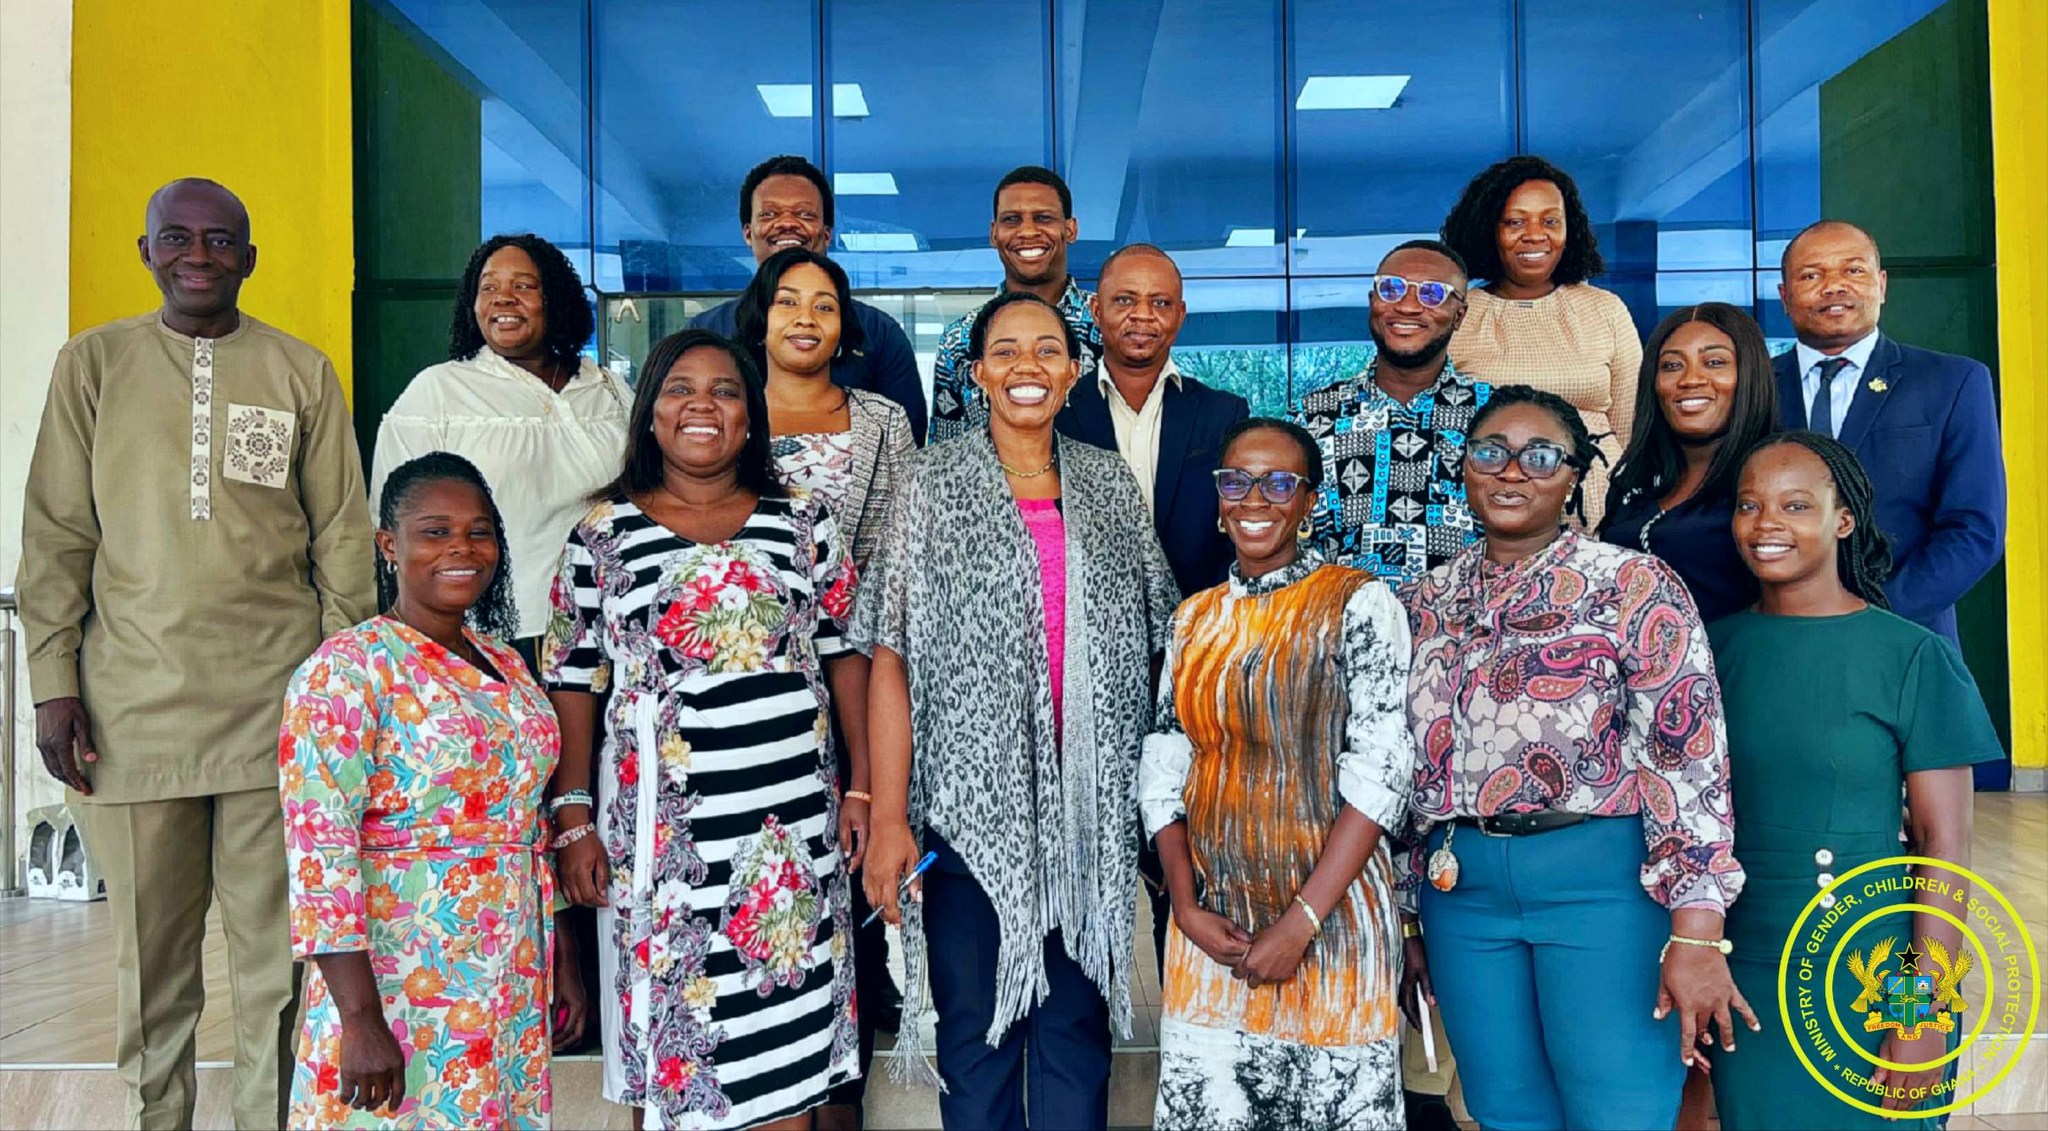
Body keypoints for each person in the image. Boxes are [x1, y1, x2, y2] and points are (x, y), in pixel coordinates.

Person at [17, 178, 375, 1130]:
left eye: (220, 241)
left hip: (278, 714)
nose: (199, 256)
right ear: (147, 252)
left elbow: (343, 540)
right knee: (152, 972)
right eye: (177, 238)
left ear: (250, 258)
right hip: (129, 714)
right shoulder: (93, 365)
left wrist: (341, 694)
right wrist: (52, 684)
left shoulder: (300, 371)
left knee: (280, 967)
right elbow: (56, 535)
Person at [855, 292, 1179, 1130]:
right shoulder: (930, 484)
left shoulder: (1107, 483)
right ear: (977, 374)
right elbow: (890, 654)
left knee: (1076, 1040)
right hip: (970, 815)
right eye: (1005, 351)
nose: (1026, 366)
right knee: (977, 1041)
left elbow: (1159, 641)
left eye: (1046, 350)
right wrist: (888, 818)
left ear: (1074, 372)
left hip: (1088, 820)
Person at [1399, 385, 1752, 1131]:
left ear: (1574, 476)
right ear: (1464, 469)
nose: (1511, 471)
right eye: (1490, 452)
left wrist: (1696, 927)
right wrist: (1406, 915)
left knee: (1619, 1108)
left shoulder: (1633, 585)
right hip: (1461, 895)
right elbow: (1406, 771)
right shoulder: (1423, 601)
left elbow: (1687, 759)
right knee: (1504, 1109)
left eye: (1540, 455)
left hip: (1602, 885)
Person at [543, 329, 866, 1130]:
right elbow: (573, 675)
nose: (703, 405)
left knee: (784, 1047)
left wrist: (862, 788)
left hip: (792, 835)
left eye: (725, 391)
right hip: (666, 844)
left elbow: (846, 652)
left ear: (750, 418)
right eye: (680, 389)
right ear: (650, 415)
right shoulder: (601, 535)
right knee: (673, 1056)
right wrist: (573, 814)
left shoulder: (805, 522)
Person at [1707, 432, 2002, 1128]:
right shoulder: (1706, 649)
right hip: (1738, 964)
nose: (1767, 523)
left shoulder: (1912, 655)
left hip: (1866, 972)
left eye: (1796, 505)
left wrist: (1920, 1012)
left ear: (1844, 520)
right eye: (1749, 504)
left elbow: (1944, 847)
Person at [370, 231, 618, 1058]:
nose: (503, 299)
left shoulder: (605, 390)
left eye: (524, 284)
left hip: (595, 634)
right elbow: (394, 518)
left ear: (558, 297)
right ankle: (545, 988)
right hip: (489, 636)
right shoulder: (438, 391)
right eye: (488, 286)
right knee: (520, 809)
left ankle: (599, 989)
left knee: (594, 805)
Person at [1140, 418, 1413, 1130]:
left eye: (1279, 482)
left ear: (1310, 500)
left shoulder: (1359, 603)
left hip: (1333, 928)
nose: (1254, 499)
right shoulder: (1193, 619)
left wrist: (1301, 923)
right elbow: (1164, 766)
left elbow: (1382, 773)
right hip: (1214, 935)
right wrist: (1185, 908)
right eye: (1236, 481)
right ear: (1218, 498)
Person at [281, 453, 558, 1129]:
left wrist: (564, 963)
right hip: (401, 974)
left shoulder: (508, 662)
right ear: (389, 544)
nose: (462, 548)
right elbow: (320, 848)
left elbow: (528, 822)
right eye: (435, 531)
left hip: (507, 971)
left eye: (478, 531)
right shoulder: (348, 669)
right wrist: (359, 1017)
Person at [733, 245, 917, 1124]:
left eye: (824, 304)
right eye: (788, 301)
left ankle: (842, 1078)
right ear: (760, 317)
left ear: (846, 327)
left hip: (862, 666)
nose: (805, 317)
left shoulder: (882, 417)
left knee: (853, 859)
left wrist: (867, 636)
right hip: (749, 680)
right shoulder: (724, 407)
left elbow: (903, 539)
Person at [1054, 242, 1249, 970]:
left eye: (1160, 302)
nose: (1143, 316)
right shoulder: (1056, 409)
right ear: (1095, 309)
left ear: (1181, 315)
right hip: (1082, 671)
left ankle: (1186, 1018)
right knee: (1088, 865)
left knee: (1190, 857)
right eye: (1126, 300)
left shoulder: (1222, 413)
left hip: (1195, 670)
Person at [1772, 220, 2005, 647]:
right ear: (1785, 297)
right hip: (1777, 638)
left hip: (1906, 640)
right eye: (1811, 275)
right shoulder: (1752, 388)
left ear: (1881, 285)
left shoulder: (1952, 382)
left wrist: (1873, 616)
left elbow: (1975, 530)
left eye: (1853, 270)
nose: (1834, 286)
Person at [1442, 155, 1641, 532]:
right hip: (1489, 524)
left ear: (1570, 229)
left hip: (1602, 523)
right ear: (1489, 229)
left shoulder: (1605, 309)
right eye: (1515, 222)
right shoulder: (1460, 315)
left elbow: (1633, 431)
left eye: (1550, 221)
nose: (1535, 235)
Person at [1293, 240, 1493, 587]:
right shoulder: (1311, 417)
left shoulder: (1494, 415)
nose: (1408, 306)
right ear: (1372, 301)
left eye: (1432, 293)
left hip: (1466, 617)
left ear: (1459, 315)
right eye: (1392, 289)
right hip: (1336, 616)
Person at [691, 154, 928, 441]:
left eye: (805, 214)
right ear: (748, 233)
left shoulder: (879, 333)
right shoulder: (705, 333)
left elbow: (908, 441)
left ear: (827, 234)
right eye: (769, 214)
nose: (787, 223)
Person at [1601, 303, 1779, 624]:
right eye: (1671, 366)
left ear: (1749, 373)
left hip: (1738, 654)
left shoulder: (1776, 476)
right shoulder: (1636, 483)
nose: (1690, 379)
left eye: (1714, 362)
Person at [927, 166, 1102, 443]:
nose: (1028, 231)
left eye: (1043, 218)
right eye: (1012, 220)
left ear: (1069, 229)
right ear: (994, 233)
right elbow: (944, 449)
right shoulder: (958, 339)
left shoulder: (1109, 323)